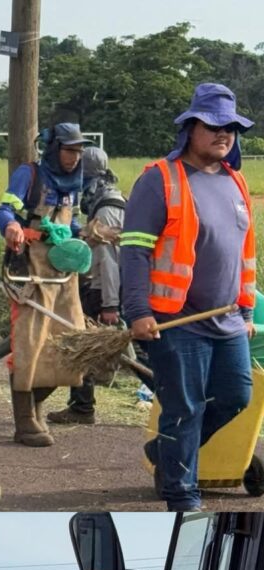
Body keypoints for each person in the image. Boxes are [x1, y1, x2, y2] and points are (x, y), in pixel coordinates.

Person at [121, 82, 256, 511]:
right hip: (176, 321)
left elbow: (243, 254)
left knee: (236, 396)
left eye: (231, 127)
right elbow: (135, 250)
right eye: (215, 125)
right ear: (190, 128)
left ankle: (166, 454)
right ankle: (182, 495)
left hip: (229, 318)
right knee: (184, 409)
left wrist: (248, 307)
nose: (224, 134)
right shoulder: (160, 179)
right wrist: (138, 310)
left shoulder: (236, 182)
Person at [0, 123, 93, 447]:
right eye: (69, 150)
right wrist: (10, 225)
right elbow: (3, 209)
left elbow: (70, 222)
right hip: (31, 268)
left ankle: (38, 403)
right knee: (30, 339)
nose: (74, 157)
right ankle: (24, 421)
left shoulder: (75, 181)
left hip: (63, 272)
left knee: (69, 340)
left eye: (78, 151)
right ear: (53, 149)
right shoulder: (30, 174)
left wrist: (85, 236)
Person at [48, 146, 128, 426]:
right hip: (100, 288)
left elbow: (108, 261)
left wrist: (109, 304)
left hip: (102, 290)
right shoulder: (108, 203)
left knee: (85, 347)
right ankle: (81, 406)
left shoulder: (107, 208)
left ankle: (82, 408)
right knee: (100, 347)